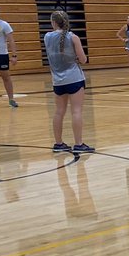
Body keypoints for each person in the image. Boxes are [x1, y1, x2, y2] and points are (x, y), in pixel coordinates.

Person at [44, 10, 92, 153]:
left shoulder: (47, 37)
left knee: (59, 112)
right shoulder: (73, 37)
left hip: (57, 80)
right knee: (76, 111)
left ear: (53, 22)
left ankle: (58, 143)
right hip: (74, 78)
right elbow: (83, 59)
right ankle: (78, 143)